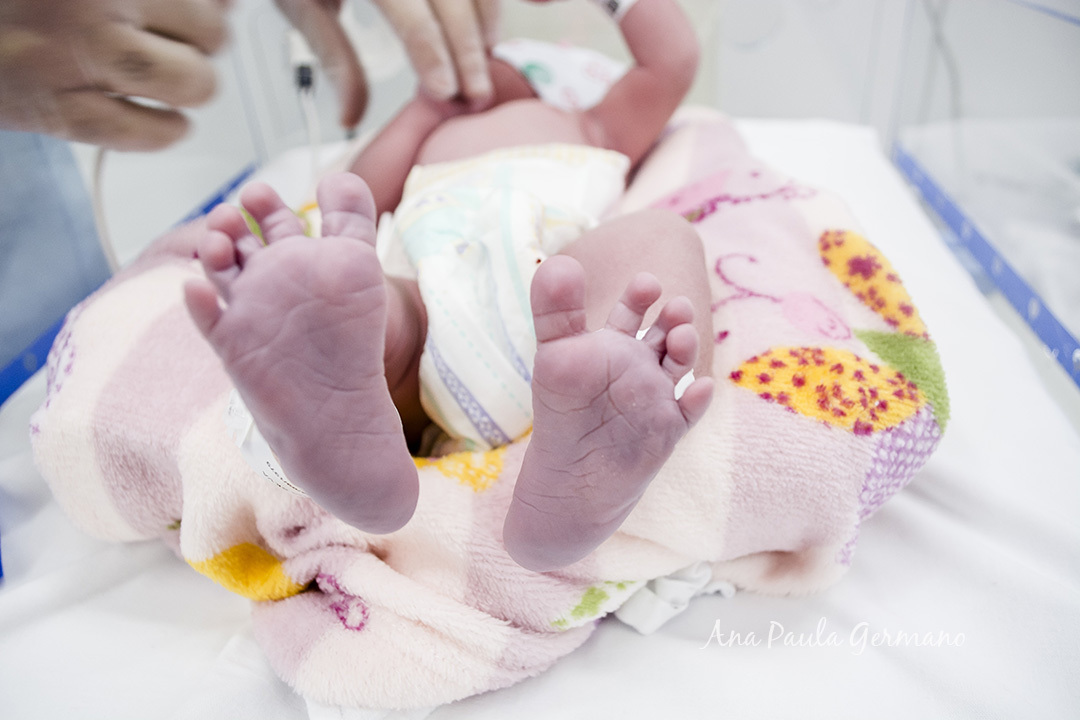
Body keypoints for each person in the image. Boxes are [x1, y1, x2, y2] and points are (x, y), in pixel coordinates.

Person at [183, 0, 715, 573]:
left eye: (505, 61)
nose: (482, 67)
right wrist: (421, 111)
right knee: (358, 290)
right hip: (424, 316)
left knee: (659, 239)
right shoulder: (431, 132)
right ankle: (343, 434)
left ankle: (614, 422)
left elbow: (672, 61)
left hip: (564, 335)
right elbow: (352, 191)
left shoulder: (592, 123)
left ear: (547, 85)